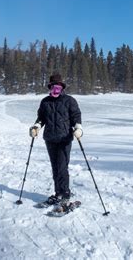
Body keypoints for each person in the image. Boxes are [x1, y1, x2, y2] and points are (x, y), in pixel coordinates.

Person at [29, 73, 83, 206]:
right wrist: (36, 127)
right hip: (50, 139)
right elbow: (41, 118)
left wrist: (78, 128)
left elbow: (76, 116)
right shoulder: (45, 102)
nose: (55, 90)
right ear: (50, 87)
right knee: (55, 167)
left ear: (62, 88)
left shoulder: (70, 101)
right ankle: (58, 192)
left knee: (62, 167)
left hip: (64, 139)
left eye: (58, 87)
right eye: (53, 87)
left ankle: (65, 194)